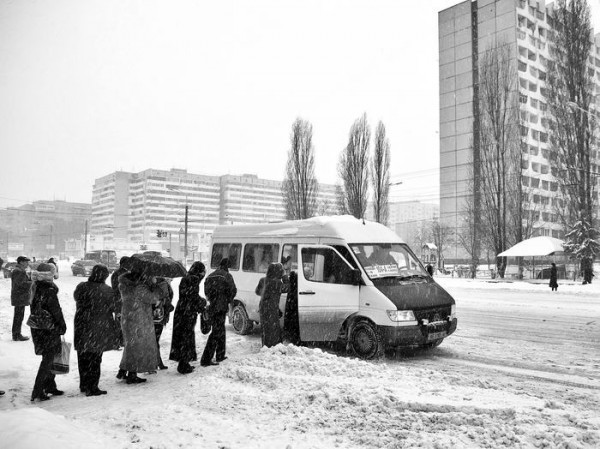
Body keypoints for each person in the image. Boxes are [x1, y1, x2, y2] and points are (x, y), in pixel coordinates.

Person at [74, 264, 118, 396]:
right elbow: (114, 307)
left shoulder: (81, 287)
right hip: (99, 327)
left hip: (82, 324)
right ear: (105, 276)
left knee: (83, 356)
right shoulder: (107, 290)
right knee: (95, 358)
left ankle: (84, 384)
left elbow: (77, 298)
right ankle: (92, 387)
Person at [118, 258, 161, 384]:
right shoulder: (139, 287)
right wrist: (155, 286)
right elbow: (153, 298)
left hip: (128, 317)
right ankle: (132, 374)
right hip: (139, 319)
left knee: (130, 346)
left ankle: (123, 370)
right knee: (137, 347)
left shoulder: (124, 283)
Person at [30, 263, 67, 401]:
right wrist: (62, 326)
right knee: (48, 360)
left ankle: (49, 385)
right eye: (53, 272)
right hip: (49, 329)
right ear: (48, 274)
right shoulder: (48, 290)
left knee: (48, 358)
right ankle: (38, 390)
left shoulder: (36, 287)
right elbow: (55, 310)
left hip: (40, 328)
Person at [169, 262, 206, 374]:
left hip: (181, 310)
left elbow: (186, 295)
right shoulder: (194, 279)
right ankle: (183, 364)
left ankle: (183, 361)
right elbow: (192, 296)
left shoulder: (186, 278)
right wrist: (202, 302)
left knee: (180, 336)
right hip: (187, 312)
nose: (203, 274)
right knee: (186, 337)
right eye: (203, 271)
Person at [200, 258, 237, 367]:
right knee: (217, 332)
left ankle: (220, 354)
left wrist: (212, 299)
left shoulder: (210, 276)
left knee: (220, 329)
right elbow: (233, 290)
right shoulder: (227, 276)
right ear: (227, 266)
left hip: (212, 306)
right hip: (221, 307)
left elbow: (206, 292)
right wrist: (227, 300)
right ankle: (206, 359)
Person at [256, 263, 285, 348]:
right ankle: (272, 347)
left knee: (265, 328)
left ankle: (265, 346)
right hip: (271, 308)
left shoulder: (263, 280)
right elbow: (287, 287)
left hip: (263, 307)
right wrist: (285, 277)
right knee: (273, 329)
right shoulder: (277, 283)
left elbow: (258, 292)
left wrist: (266, 294)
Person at [152, 277, 174, 370]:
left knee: (153, 339)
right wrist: (169, 305)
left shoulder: (153, 282)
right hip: (158, 315)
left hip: (153, 314)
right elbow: (165, 299)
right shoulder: (163, 284)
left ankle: (156, 361)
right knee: (155, 340)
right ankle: (156, 362)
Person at [111, 256, 130, 356]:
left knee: (119, 320)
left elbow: (115, 288)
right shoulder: (125, 274)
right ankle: (119, 341)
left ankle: (118, 341)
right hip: (122, 299)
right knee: (121, 320)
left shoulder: (116, 273)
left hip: (118, 300)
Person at [11, 256, 32, 342]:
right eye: (26, 262)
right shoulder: (18, 271)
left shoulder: (19, 270)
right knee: (18, 317)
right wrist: (32, 282)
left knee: (19, 316)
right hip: (20, 297)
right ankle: (16, 335)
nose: (27, 263)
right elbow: (21, 284)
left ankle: (16, 334)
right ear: (21, 262)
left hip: (19, 297)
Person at [283, 271, 300, 345]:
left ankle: (291, 338)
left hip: (290, 314)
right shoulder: (296, 287)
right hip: (294, 315)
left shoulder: (291, 287)